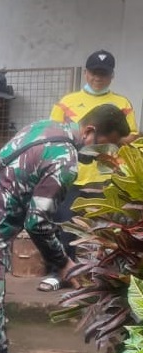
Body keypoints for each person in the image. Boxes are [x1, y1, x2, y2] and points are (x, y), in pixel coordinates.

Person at [0, 104, 130, 353]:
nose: (109, 155)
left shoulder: (45, 126)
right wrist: (65, 263)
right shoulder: (66, 159)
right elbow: (38, 222)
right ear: (90, 131)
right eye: (108, 147)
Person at [44, 49, 139, 291]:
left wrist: (109, 143)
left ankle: (103, 278)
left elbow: (132, 136)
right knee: (65, 224)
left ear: (112, 76)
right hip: (73, 175)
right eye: (95, 73)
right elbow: (53, 133)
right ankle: (60, 273)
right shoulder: (67, 102)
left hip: (108, 178)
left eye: (104, 74)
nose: (98, 78)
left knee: (107, 228)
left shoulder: (122, 103)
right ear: (86, 73)